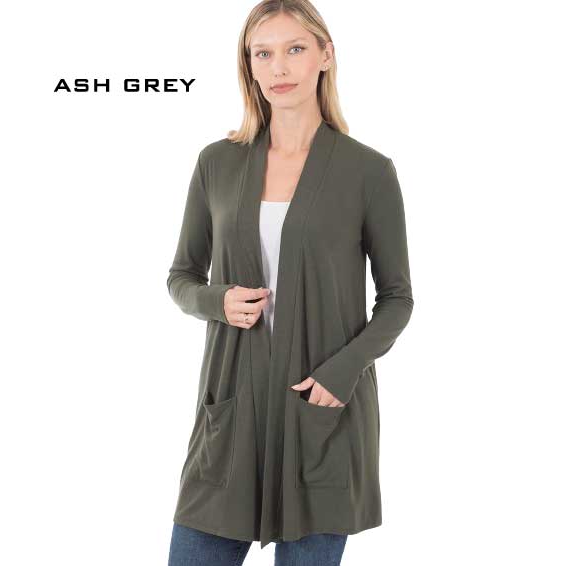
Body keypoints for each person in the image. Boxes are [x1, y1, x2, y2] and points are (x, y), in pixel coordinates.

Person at [166, 1, 414, 564]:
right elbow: (181, 277)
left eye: (295, 49)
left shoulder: (368, 171)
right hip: (233, 413)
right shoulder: (217, 163)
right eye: (263, 53)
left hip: (322, 412)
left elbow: (397, 298)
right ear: (249, 66)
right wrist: (218, 301)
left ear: (325, 55)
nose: (278, 67)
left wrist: (344, 370)